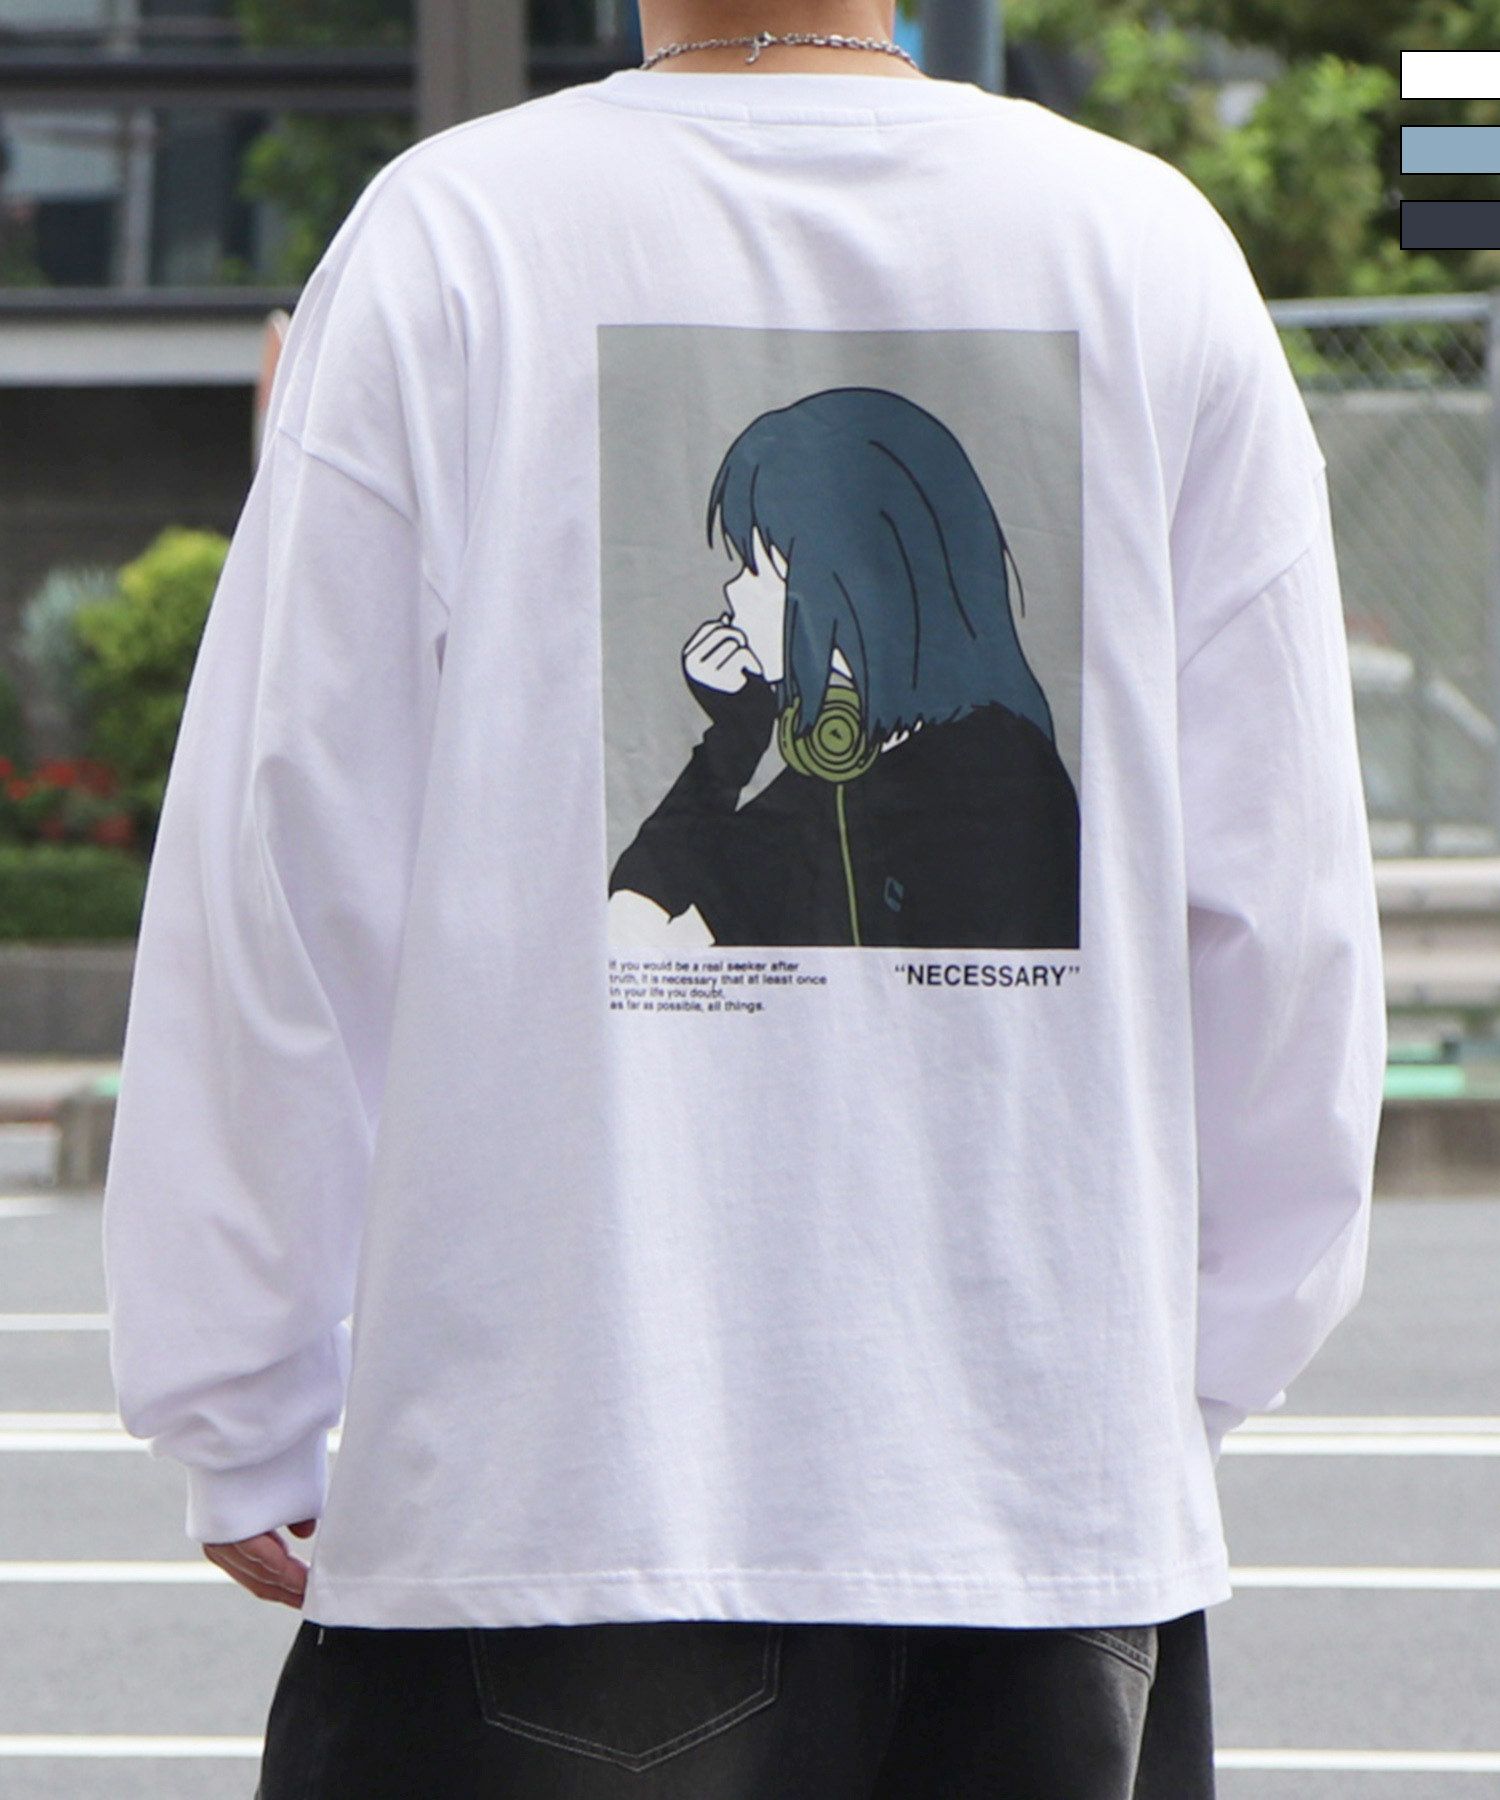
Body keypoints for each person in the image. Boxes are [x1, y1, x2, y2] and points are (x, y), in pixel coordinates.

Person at [98, 2, 1388, 1796]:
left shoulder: (454, 238)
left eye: (758, 570)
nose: (732, 605)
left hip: (558, 1515)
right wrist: (1180, 1378)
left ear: (848, 586)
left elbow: (282, 852)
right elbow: (1287, 912)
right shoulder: (1148, 251)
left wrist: (236, 1394)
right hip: (1046, 1525)